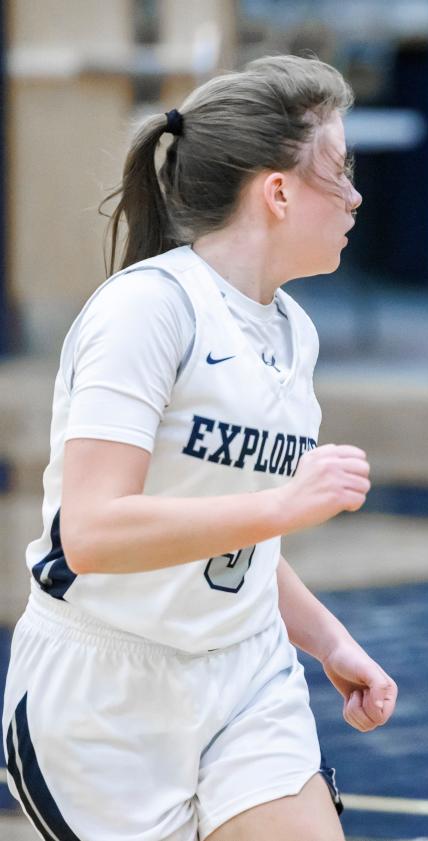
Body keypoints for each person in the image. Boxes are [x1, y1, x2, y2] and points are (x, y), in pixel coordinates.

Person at [2, 55, 396, 841]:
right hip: (104, 696)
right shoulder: (147, 310)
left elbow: (231, 535)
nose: (355, 196)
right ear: (278, 191)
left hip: (246, 674)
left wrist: (327, 637)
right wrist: (283, 504)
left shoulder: (294, 331)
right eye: (341, 173)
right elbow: (93, 531)